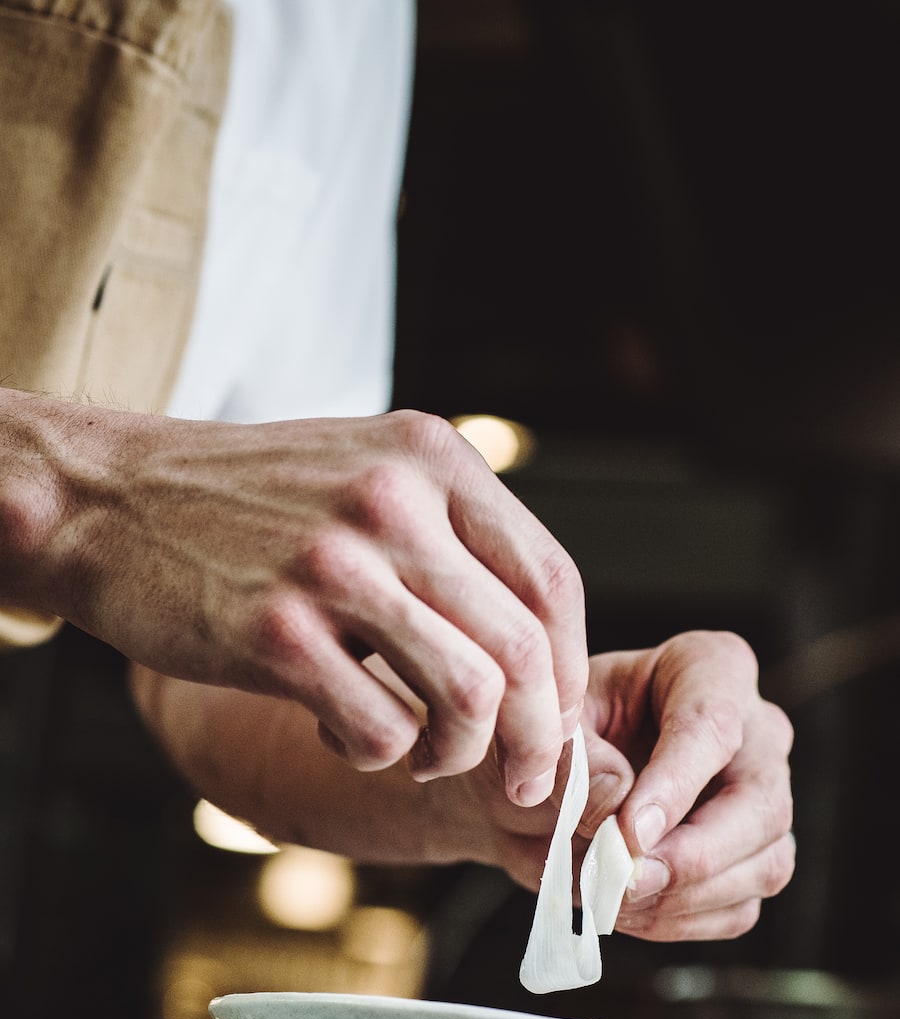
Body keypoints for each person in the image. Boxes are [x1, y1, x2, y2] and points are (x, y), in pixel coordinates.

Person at [1, 0, 795, 944]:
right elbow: (141, 511)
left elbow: (224, 674)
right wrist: (73, 494)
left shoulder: (357, 29)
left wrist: (492, 772)